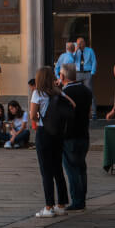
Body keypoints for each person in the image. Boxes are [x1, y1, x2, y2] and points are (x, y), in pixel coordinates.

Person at [30, 66, 73, 217]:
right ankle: (61, 205)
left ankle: (48, 207)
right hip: (57, 134)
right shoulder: (57, 92)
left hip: (43, 133)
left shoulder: (38, 93)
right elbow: (72, 105)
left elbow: (32, 115)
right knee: (57, 169)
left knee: (45, 171)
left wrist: (41, 119)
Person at [60, 63, 92, 210]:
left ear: (62, 76)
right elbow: (89, 113)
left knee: (71, 169)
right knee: (81, 167)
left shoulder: (64, 93)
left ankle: (77, 200)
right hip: (84, 134)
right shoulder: (86, 91)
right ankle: (82, 198)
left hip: (69, 136)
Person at [74, 37, 97, 119]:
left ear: (84, 43)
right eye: (78, 43)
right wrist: (75, 51)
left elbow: (94, 61)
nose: (80, 44)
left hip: (87, 73)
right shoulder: (75, 51)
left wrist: (92, 72)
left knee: (89, 93)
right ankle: (77, 113)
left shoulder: (90, 50)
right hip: (78, 73)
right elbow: (71, 60)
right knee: (77, 93)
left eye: (81, 42)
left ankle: (93, 114)